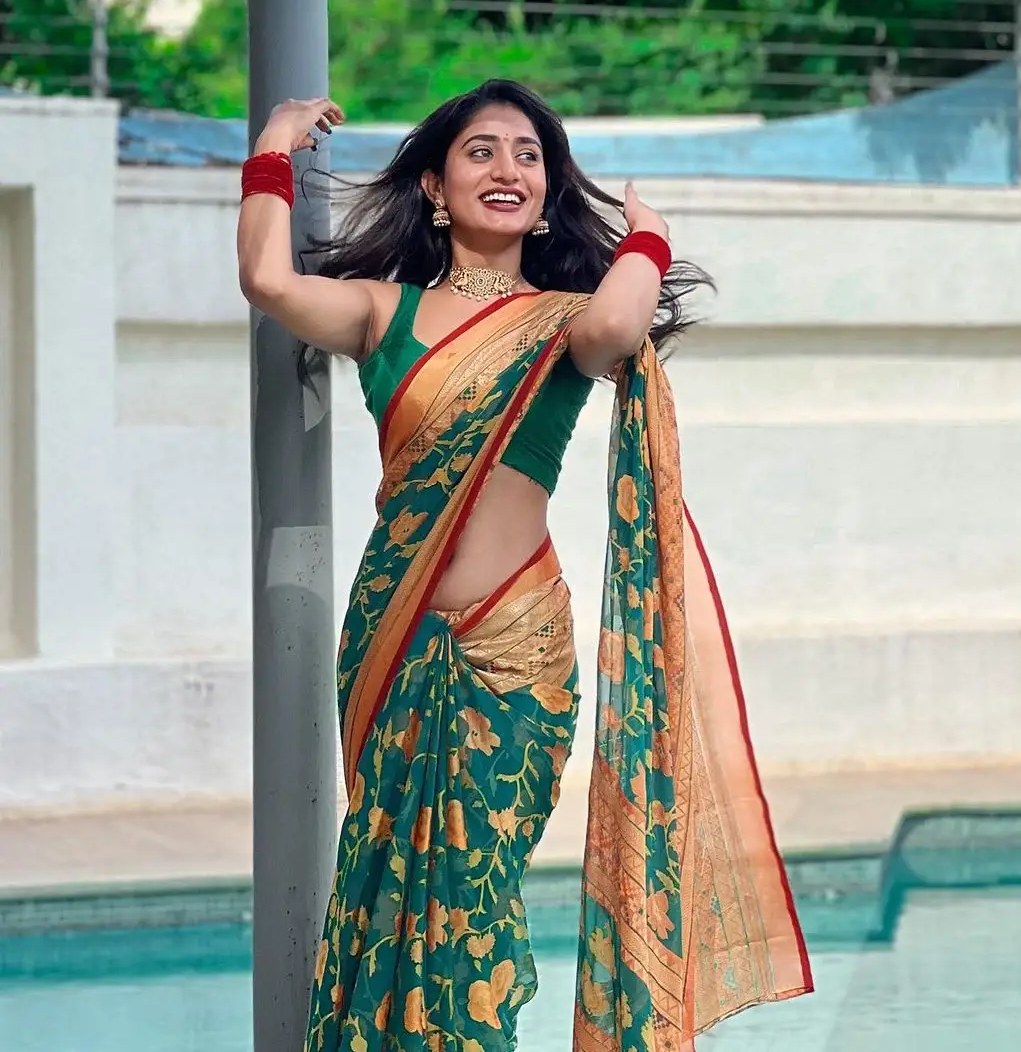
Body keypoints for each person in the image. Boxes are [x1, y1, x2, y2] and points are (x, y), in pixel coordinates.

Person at [237, 79, 812, 1052]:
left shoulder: (560, 318)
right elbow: (268, 280)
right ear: (434, 184)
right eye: (481, 151)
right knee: (383, 884)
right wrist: (274, 146)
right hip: (395, 640)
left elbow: (618, 330)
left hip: (514, 651)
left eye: (529, 156)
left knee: (475, 886)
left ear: (547, 196)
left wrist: (647, 239)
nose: (507, 168)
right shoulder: (385, 311)